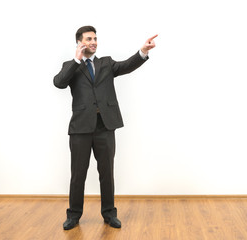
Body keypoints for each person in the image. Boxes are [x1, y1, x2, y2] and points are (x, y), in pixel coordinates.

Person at [53, 26, 157, 230]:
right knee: (78, 174)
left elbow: (127, 65)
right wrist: (76, 60)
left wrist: (143, 51)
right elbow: (59, 82)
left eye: (95, 38)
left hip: (105, 127)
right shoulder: (71, 66)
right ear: (79, 42)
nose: (93, 41)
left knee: (107, 173)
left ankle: (109, 214)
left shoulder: (106, 63)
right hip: (81, 128)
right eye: (89, 38)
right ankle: (74, 215)